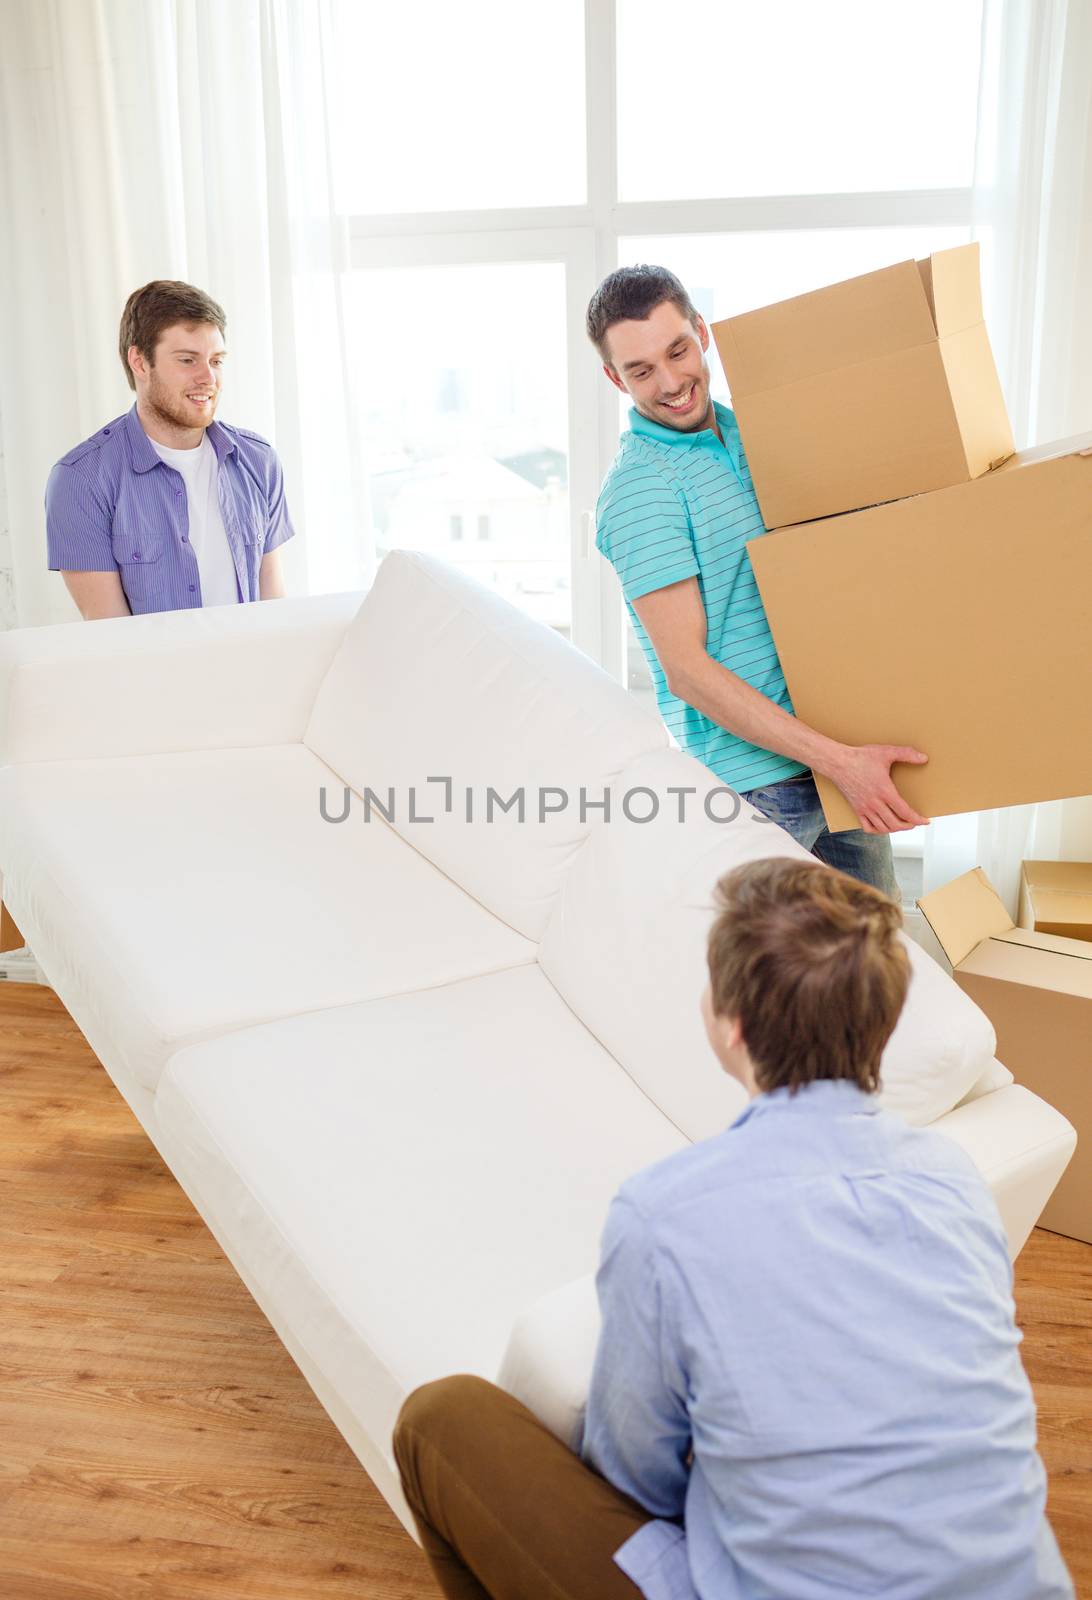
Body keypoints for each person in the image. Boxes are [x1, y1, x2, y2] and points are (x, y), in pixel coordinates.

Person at [392, 855, 1074, 1600]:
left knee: (440, 1419)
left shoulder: (664, 1215)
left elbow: (632, 1482)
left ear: (730, 1025)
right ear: (881, 1025)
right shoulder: (955, 1184)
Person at [585, 263, 933, 896]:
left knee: (871, 964)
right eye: (640, 371)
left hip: (834, 758)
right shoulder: (640, 489)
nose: (670, 383)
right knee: (758, 987)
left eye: (677, 351)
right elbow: (686, 671)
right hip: (754, 788)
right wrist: (838, 762)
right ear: (615, 378)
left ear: (702, 332)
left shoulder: (759, 435)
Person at [46, 279, 294, 619]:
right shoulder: (81, 480)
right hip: (152, 672)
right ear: (140, 362)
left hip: (254, 667)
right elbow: (109, 635)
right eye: (188, 360)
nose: (208, 378)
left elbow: (273, 601)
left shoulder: (258, 460)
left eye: (216, 360)